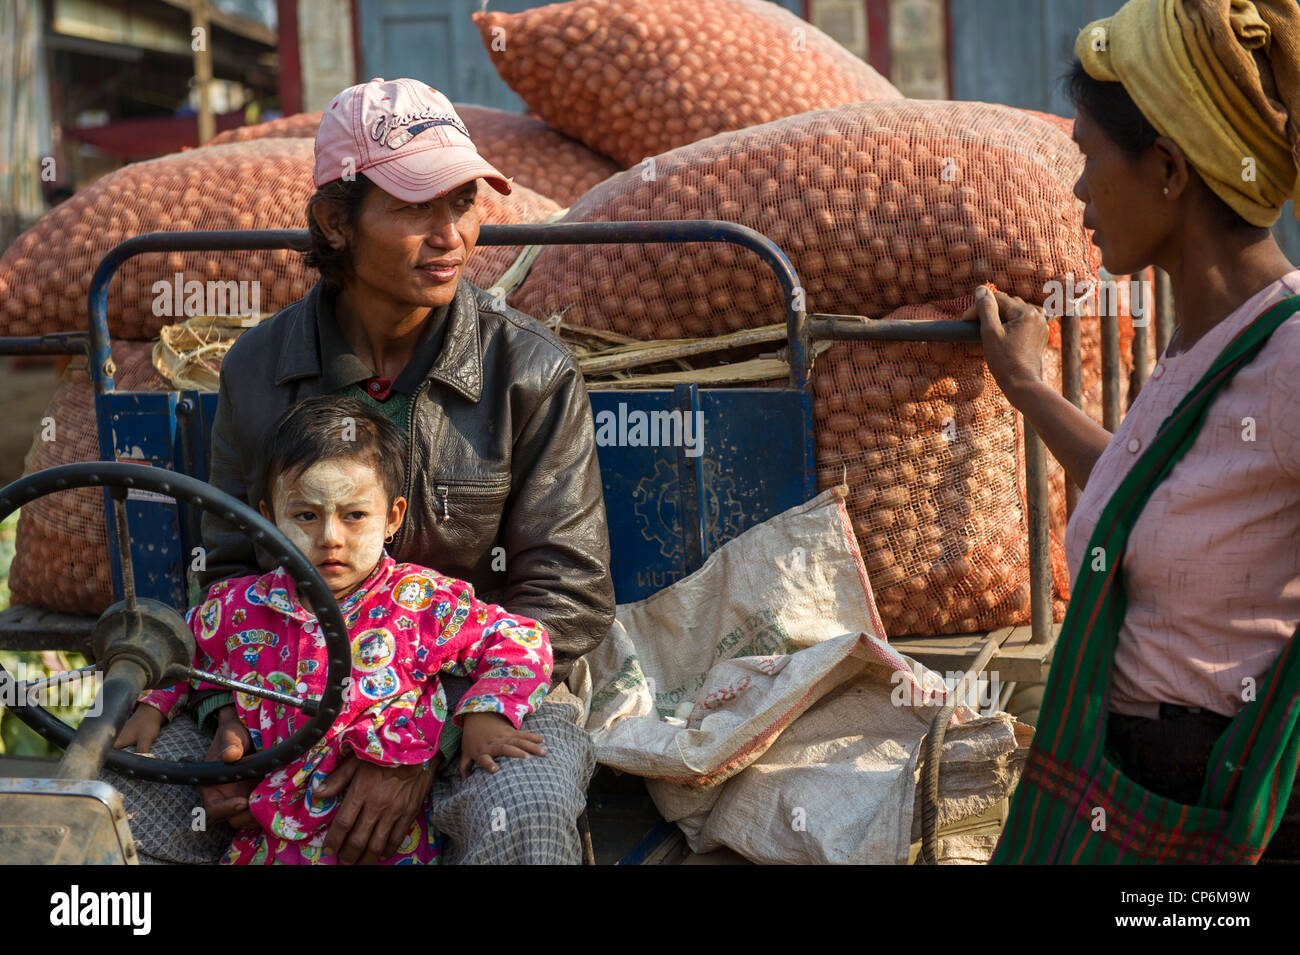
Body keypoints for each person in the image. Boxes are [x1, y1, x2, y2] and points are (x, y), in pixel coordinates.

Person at [104, 78, 615, 865]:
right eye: (416, 207)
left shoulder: (530, 371)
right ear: (335, 222)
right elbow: (234, 567)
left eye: (464, 201)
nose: (451, 235)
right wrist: (227, 719)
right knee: (122, 807)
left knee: (528, 807)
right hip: (288, 690)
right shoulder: (258, 368)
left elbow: (568, 596)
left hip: (483, 690)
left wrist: (422, 732)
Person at [972, 0, 1300, 863]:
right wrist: (1023, 385)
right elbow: (1138, 491)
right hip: (1137, 787)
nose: (1079, 192)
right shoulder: (1200, 343)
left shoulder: (1290, 357)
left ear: (1166, 169)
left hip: (1213, 803)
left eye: (1088, 156)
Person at [115, 397, 553, 864]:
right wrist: (153, 705)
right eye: (305, 515)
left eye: (354, 515)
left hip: (389, 849)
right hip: (267, 846)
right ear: (267, 519)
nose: (330, 538)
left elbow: (520, 640)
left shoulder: (423, 601)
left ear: (393, 517)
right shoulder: (236, 606)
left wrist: (487, 713)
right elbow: (180, 651)